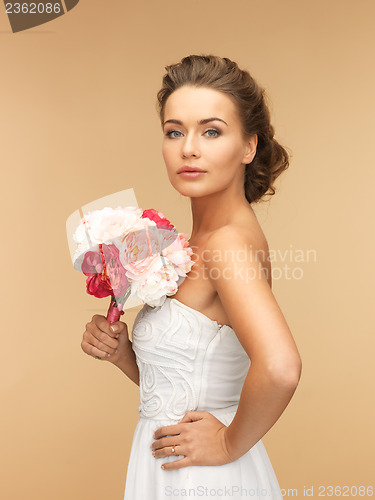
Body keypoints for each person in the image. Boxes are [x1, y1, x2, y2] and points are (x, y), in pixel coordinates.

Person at [81, 54, 302, 499]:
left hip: (203, 479)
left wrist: (226, 442)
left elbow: (281, 368)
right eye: (174, 131)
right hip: (170, 462)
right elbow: (186, 385)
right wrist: (125, 353)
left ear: (248, 147)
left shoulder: (226, 244)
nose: (189, 148)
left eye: (212, 131)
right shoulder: (188, 244)